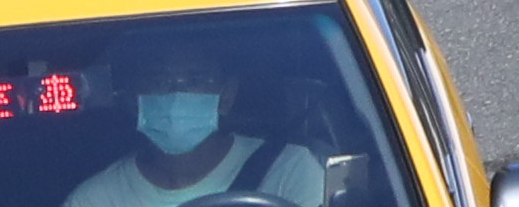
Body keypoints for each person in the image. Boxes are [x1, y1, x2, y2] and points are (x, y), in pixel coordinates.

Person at [46, 45, 330, 207]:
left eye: (195, 80)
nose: (176, 94)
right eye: (158, 81)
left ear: (226, 95)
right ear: (134, 99)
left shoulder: (290, 170)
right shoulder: (96, 200)